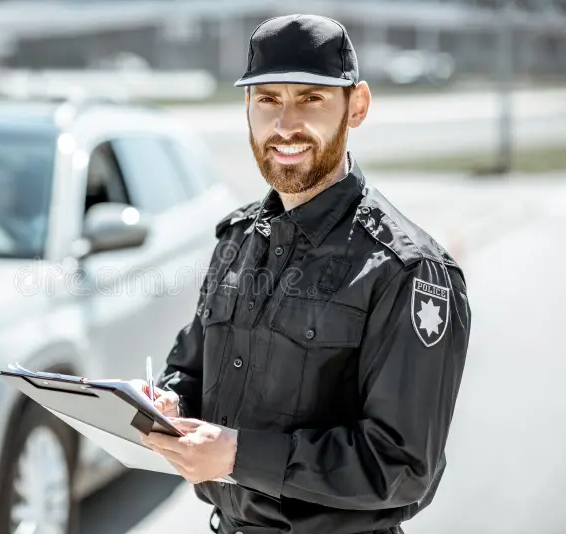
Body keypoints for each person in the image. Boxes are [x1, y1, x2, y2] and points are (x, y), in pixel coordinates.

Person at [138, 14, 472, 534]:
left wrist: (237, 455)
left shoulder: (407, 271)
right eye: (268, 99)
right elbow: (192, 366)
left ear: (355, 106)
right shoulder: (238, 240)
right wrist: (168, 401)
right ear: (247, 109)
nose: (285, 124)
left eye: (311, 99)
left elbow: (403, 468)